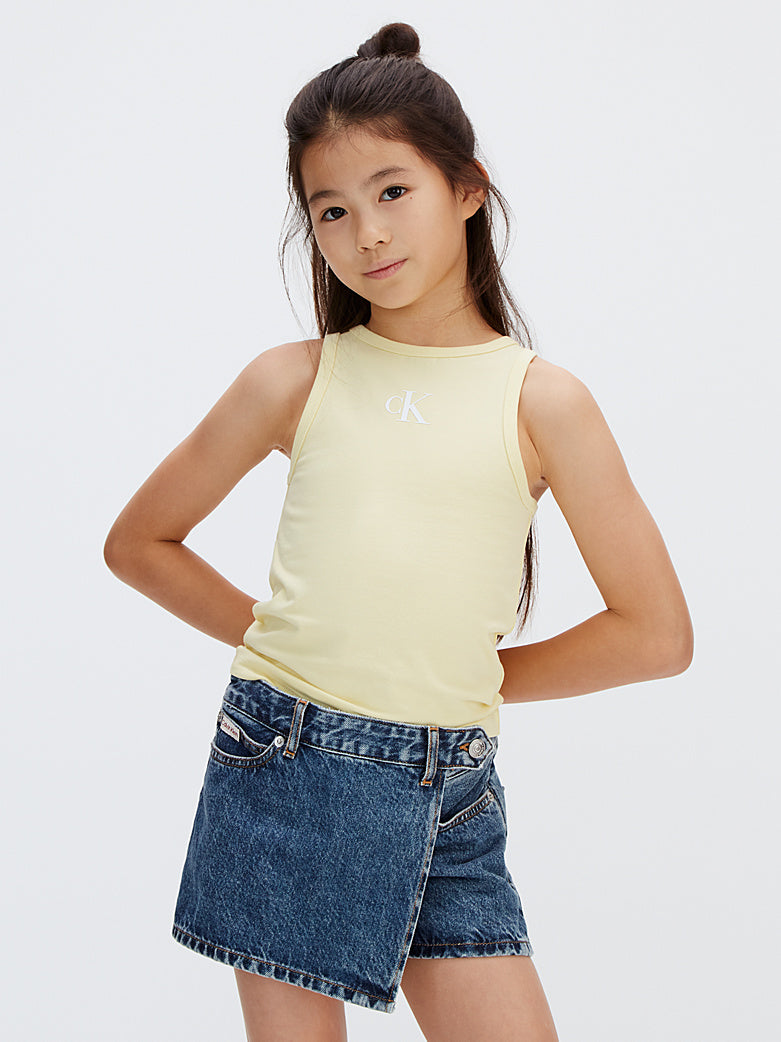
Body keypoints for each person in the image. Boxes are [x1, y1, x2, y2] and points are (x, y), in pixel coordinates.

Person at [104, 21, 693, 1042]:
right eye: (331, 210)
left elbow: (655, 635)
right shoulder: (293, 380)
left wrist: (462, 677)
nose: (366, 234)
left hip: (450, 788)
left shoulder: (543, 403)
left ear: (466, 188)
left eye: (391, 191)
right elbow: (139, 543)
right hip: (283, 759)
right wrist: (307, 646)